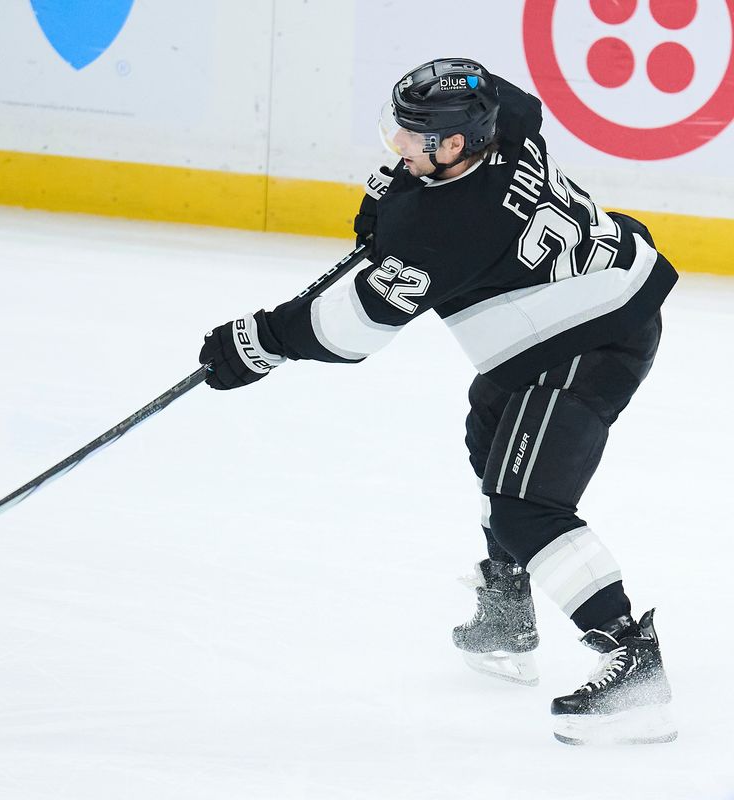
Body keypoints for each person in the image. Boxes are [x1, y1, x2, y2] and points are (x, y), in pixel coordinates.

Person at [198, 58, 678, 746]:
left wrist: (261, 340)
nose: (397, 142)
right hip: (583, 299)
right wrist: (399, 192)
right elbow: (495, 94)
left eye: (412, 135)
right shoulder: (504, 124)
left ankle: (633, 664)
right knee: (491, 439)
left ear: (454, 144)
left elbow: (355, 327)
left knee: (525, 503)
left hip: (591, 336)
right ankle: (507, 610)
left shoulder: (445, 229)